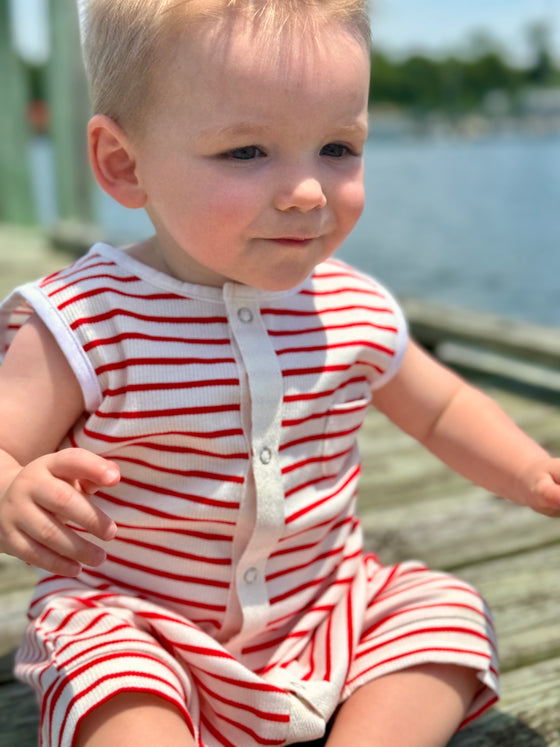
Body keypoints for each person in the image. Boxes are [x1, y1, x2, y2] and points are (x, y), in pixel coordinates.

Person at [0, 1, 558, 745]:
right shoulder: (84, 319)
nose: (308, 191)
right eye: (246, 153)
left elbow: (441, 408)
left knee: (445, 610)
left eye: (338, 147)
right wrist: (12, 487)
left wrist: (530, 470)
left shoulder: (351, 306)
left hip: (326, 606)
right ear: (124, 165)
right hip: (143, 616)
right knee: (105, 674)